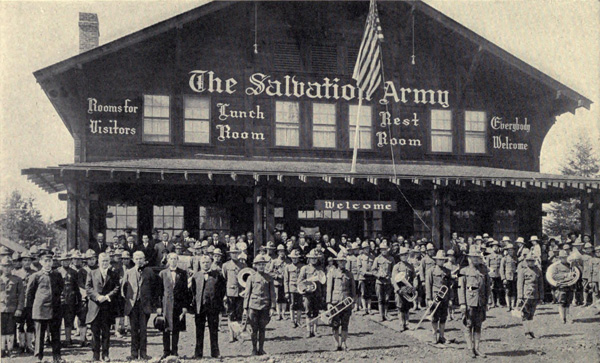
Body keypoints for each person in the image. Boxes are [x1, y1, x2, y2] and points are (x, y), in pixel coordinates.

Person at [26, 249, 64, 363]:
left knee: (55, 334)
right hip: (40, 309)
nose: (48, 263)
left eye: (50, 261)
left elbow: (60, 288)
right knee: (40, 335)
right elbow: (29, 294)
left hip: (55, 308)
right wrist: (31, 309)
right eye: (46, 261)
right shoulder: (35, 276)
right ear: (41, 262)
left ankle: (57, 357)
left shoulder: (57, 275)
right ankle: (38, 357)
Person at [122, 251, 156, 361]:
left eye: (141, 258)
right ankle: (133, 354)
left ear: (144, 259)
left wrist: (152, 303)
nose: (139, 260)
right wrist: (128, 301)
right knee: (133, 330)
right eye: (136, 258)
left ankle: (143, 353)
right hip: (132, 305)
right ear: (132, 260)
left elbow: (154, 288)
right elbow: (123, 289)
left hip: (144, 305)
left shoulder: (149, 271)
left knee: (143, 330)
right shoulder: (129, 272)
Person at [86, 252, 119, 362]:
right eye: (102, 261)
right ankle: (95, 355)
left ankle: (105, 354)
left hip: (107, 307)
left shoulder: (113, 274)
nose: (104, 263)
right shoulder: (92, 273)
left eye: (106, 261)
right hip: (95, 306)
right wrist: (97, 296)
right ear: (98, 262)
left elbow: (116, 288)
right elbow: (88, 288)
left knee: (106, 332)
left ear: (109, 262)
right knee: (95, 332)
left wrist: (107, 296)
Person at [458, 246, 491, 359]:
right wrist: (462, 303)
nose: (476, 259)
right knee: (468, 325)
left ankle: (477, 348)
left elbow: (487, 287)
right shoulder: (463, 271)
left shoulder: (484, 270)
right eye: (474, 257)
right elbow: (460, 288)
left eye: (478, 257)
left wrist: (487, 302)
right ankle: (470, 348)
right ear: (469, 258)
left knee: (478, 325)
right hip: (469, 301)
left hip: (480, 302)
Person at [191, 255, 226, 358]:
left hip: (213, 307)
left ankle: (215, 353)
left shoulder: (217, 275)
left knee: (214, 330)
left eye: (207, 262)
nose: (205, 264)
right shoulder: (196, 276)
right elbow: (193, 291)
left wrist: (218, 302)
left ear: (211, 263)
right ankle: (198, 353)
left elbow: (222, 289)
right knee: (199, 330)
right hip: (200, 307)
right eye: (203, 262)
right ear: (200, 264)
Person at [157, 253, 191, 359]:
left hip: (178, 304)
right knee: (165, 328)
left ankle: (174, 351)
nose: (173, 261)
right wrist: (159, 306)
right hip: (166, 304)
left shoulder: (183, 273)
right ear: (168, 260)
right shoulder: (162, 273)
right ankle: (166, 351)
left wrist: (185, 306)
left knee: (176, 328)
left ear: (178, 260)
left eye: (175, 259)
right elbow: (159, 291)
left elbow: (186, 291)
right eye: (171, 259)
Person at [243, 254, 276, 356]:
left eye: (263, 264)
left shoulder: (269, 278)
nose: (261, 266)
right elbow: (247, 294)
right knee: (254, 329)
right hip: (253, 306)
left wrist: (273, 307)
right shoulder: (251, 278)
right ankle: (254, 349)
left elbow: (272, 294)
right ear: (255, 266)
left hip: (265, 306)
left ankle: (261, 349)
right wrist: (245, 308)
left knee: (262, 328)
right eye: (259, 264)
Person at [327, 251, 356, 351]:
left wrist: (353, 302)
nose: (342, 263)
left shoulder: (349, 274)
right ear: (337, 262)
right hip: (335, 302)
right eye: (340, 262)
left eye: (343, 261)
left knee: (345, 323)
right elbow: (329, 288)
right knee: (335, 324)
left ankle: (344, 343)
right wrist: (329, 303)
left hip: (346, 302)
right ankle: (336, 343)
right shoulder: (333, 272)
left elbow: (353, 289)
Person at [0, 256, 25, 358]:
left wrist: (19, 308)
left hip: (12, 309)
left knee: (10, 330)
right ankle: (2, 349)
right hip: (1, 308)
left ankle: (10, 350)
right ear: (1, 267)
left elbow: (21, 295)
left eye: (9, 266)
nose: (7, 268)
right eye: (5, 266)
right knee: (1, 330)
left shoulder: (17, 280)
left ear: (12, 267)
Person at [299, 249, 325, 337]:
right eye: (312, 258)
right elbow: (300, 281)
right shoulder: (304, 268)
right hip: (307, 294)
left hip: (317, 293)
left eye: (315, 258)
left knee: (316, 312)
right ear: (309, 259)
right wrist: (306, 286)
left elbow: (323, 282)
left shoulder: (320, 269)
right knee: (307, 312)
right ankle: (308, 330)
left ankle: (315, 330)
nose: (314, 260)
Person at [222, 246, 246, 342]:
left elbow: (246, 279)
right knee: (230, 314)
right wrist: (224, 294)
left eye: (236, 253)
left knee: (239, 314)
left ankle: (238, 335)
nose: (234, 254)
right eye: (233, 253)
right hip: (230, 292)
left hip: (240, 293)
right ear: (230, 254)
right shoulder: (226, 265)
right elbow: (224, 280)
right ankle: (231, 335)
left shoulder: (243, 265)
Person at [517, 253, 544, 339]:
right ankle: (526, 331)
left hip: (535, 295)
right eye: (529, 261)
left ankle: (531, 331)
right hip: (526, 295)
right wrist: (520, 296)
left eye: (532, 261)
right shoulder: (523, 271)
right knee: (525, 314)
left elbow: (541, 284)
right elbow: (520, 284)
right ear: (526, 262)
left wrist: (541, 296)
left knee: (532, 314)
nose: (530, 263)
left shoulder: (538, 270)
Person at [13, 251, 36, 354]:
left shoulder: (35, 273)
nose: (27, 262)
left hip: (32, 303)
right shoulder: (16, 274)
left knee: (31, 324)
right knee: (20, 324)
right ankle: (21, 344)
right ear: (21, 261)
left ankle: (29, 345)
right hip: (20, 303)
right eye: (24, 260)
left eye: (28, 260)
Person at [57, 253, 81, 346]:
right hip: (60, 299)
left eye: (67, 260)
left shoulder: (74, 272)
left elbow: (77, 287)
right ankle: (57, 340)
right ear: (61, 261)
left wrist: (77, 300)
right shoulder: (57, 272)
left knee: (69, 320)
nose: (66, 262)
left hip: (70, 300)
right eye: (64, 260)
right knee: (58, 320)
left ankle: (68, 339)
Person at [391, 246, 414, 331]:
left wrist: (413, 286)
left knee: (407, 307)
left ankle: (407, 323)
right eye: (402, 255)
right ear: (400, 256)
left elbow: (414, 277)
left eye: (405, 255)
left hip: (408, 289)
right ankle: (401, 324)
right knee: (400, 308)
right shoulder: (397, 266)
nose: (404, 256)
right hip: (400, 290)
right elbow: (393, 279)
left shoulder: (410, 266)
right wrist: (397, 289)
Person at [550, 250, 576, 323]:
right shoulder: (556, 266)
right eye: (562, 258)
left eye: (565, 257)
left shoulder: (570, 265)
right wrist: (564, 275)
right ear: (559, 258)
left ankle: (567, 317)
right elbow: (554, 276)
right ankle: (562, 318)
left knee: (568, 302)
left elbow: (574, 274)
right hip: (561, 286)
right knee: (561, 302)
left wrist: (572, 275)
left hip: (569, 286)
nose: (563, 259)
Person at [371, 241, 394, 321]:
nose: (384, 251)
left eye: (385, 249)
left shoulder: (391, 259)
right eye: (382, 249)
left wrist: (390, 276)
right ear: (380, 250)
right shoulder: (377, 259)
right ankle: (381, 315)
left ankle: (386, 313)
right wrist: (378, 275)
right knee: (380, 299)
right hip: (379, 282)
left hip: (388, 281)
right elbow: (373, 270)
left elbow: (393, 270)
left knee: (387, 299)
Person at [284, 249, 304, 326]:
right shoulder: (288, 267)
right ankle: (292, 321)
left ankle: (298, 320)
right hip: (292, 288)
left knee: (300, 305)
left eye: (296, 258)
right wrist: (286, 291)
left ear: (298, 258)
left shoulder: (302, 266)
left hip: (300, 288)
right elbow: (286, 280)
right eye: (293, 258)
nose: (294, 259)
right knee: (292, 305)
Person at [268, 245, 288, 320]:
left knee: (284, 299)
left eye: (283, 251)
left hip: (285, 282)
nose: (282, 253)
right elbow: (269, 272)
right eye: (280, 251)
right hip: (276, 283)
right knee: (277, 298)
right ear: (278, 252)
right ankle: (278, 314)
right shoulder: (274, 261)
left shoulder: (287, 261)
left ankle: (283, 314)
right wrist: (276, 276)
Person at [500, 243, 518, 311]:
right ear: (507, 251)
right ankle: (508, 306)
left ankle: (513, 306)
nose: (511, 251)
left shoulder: (515, 258)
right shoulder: (504, 259)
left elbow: (517, 267)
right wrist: (503, 278)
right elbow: (501, 269)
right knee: (507, 292)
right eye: (509, 250)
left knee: (513, 292)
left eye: (512, 250)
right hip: (507, 278)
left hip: (514, 277)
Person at [485, 241, 502, 308]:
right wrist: (490, 270)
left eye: (496, 246)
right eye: (494, 246)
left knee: (499, 289)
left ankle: (498, 302)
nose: (495, 248)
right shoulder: (489, 256)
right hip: (492, 274)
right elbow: (487, 265)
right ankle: (492, 302)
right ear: (492, 248)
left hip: (499, 274)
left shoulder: (500, 256)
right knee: (492, 288)